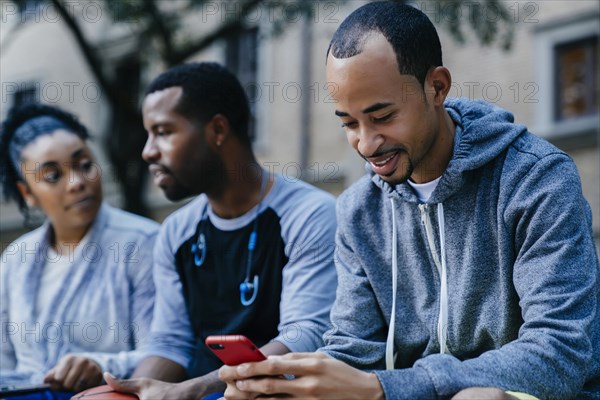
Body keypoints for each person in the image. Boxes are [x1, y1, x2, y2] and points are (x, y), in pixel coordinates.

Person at [219, 2, 600, 400]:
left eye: (382, 116)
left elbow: (560, 352)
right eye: (349, 123)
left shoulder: (536, 178)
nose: (366, 144)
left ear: (436, 87)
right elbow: (354, 350)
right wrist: (289, 386)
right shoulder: (359, 210)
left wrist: (387, 388)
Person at [104, 62, 337, 399]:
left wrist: (195, 389)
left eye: (164, 132)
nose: (148, 151)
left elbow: (304, 338)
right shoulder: (176, 231)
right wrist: (132, 392)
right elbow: (171, 341)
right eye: (148, 134)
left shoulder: (310, 215)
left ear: (217, 130)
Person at [0, 104, 159, 398]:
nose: (77, 183)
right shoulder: (14, 259)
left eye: (84, 165)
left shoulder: (144, 242)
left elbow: (165, 352)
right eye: (52, 176)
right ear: (27, 194)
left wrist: (101, 365)